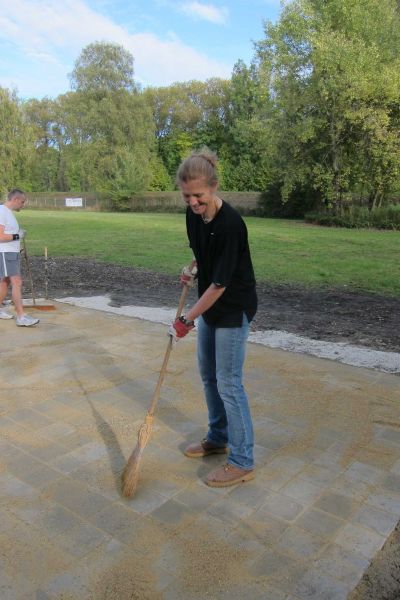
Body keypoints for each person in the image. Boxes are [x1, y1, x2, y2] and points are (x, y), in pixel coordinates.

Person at [169, 151, 257, 487]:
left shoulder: (231, 224)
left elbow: (220, 283)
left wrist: (186, 320)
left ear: (214, 187)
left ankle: (242, 460)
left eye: (199, 196)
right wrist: (193, 267)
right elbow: (204, 254)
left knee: (229, 383)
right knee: (209, 376)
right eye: (186, 196)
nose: (193, 203)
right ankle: (218, 437)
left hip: (232, 307)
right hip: (209, 305)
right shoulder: (193, 216)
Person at [0, 189, 39, 327]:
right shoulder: (2, 211)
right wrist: (17, 236)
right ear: (15, 199)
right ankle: (21, 316)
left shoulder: (8, 212)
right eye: (22, 202)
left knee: (5, 282)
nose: (23, 204)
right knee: (17, 281)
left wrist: (17, 234)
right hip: (5, 252)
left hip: (11, 252)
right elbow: (0, 236)